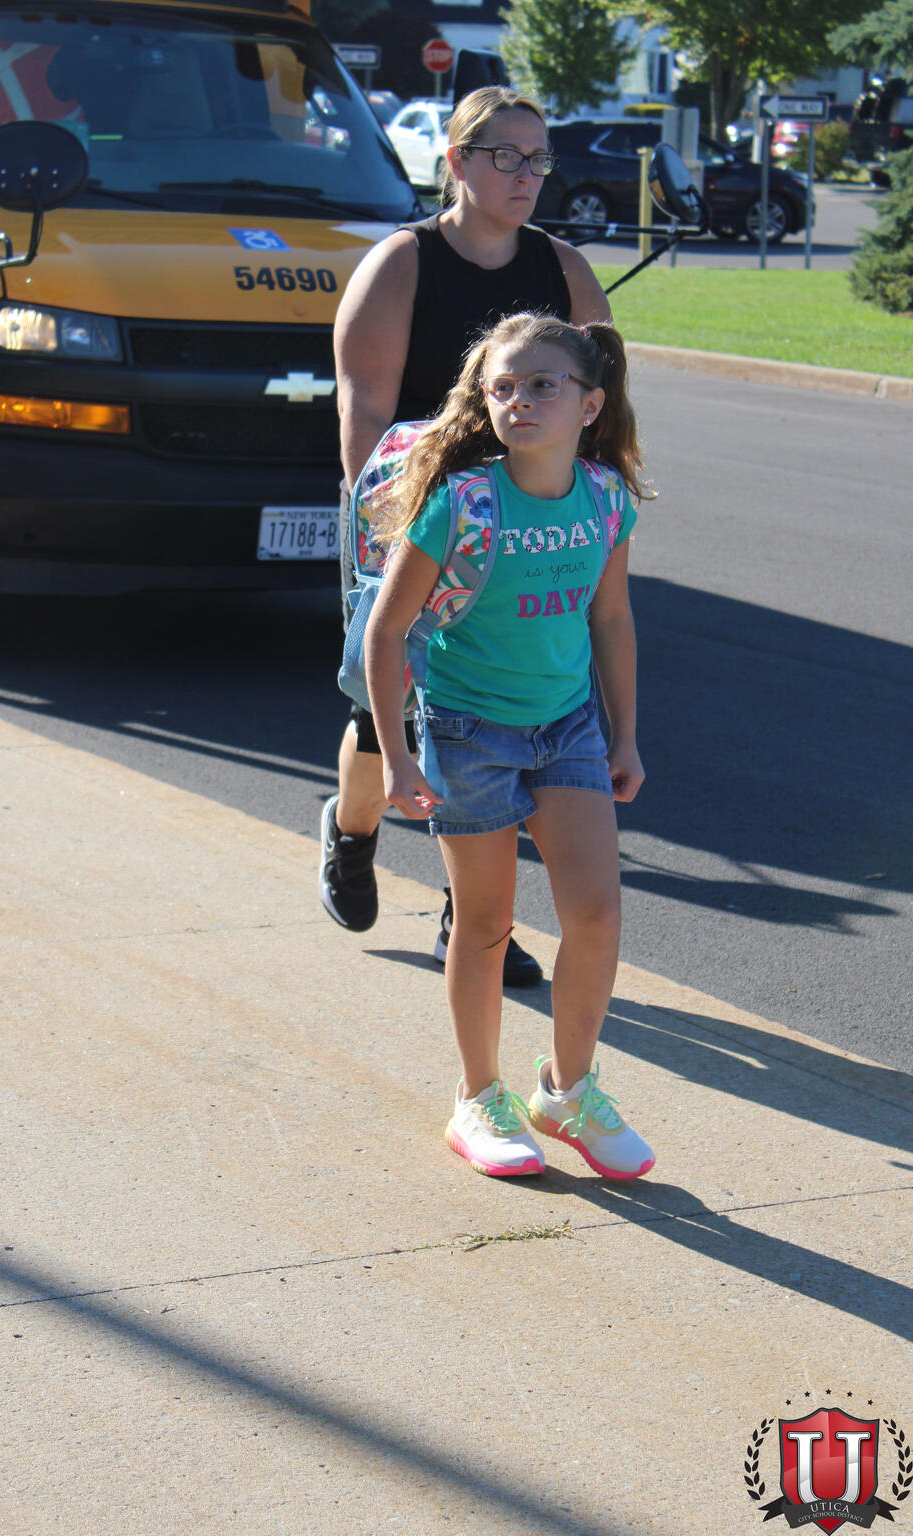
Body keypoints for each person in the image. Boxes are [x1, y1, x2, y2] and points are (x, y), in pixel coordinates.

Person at [320, 85, 613, 986]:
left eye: (538, 159)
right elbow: (366, 422)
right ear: (455, 162)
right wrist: (410, 544)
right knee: (384, 719)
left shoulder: (563, 269)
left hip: (523, 529)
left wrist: (589, 512)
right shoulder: (401, 265)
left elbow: (598, 407)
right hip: (417, 523)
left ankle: (471, 918)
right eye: (504, 157)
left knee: (497, 713)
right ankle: (351, 830)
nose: (526, 175)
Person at [362, 311, 655, 1180]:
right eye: (502, 387)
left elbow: (611, 619)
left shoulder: (606, 499)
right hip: (468, 732)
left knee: (597, 916)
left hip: (569, 728)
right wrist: (397, 757)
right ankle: (479, 1098)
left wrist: (626, 736)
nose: (519, 400)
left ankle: (566, 1092)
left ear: (590, 403)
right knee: (485, 924)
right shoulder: (464, 502)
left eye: (542, 385)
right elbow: (388, 632)